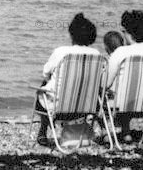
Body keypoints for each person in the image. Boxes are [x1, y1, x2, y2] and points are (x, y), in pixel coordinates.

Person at [35, 13, 99, 147]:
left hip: (59, 108)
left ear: (72, 35)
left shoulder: (61, 52)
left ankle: (43, 131)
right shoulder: (96, 54)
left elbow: (45, 73)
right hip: (86, 108)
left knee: (43, 87)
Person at [106, 10, 143, 142]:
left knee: (112, 93)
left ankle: (120, 133)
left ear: (128, 32)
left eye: (123, 31)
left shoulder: (121, 52)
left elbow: (106, 84)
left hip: (125, 106)